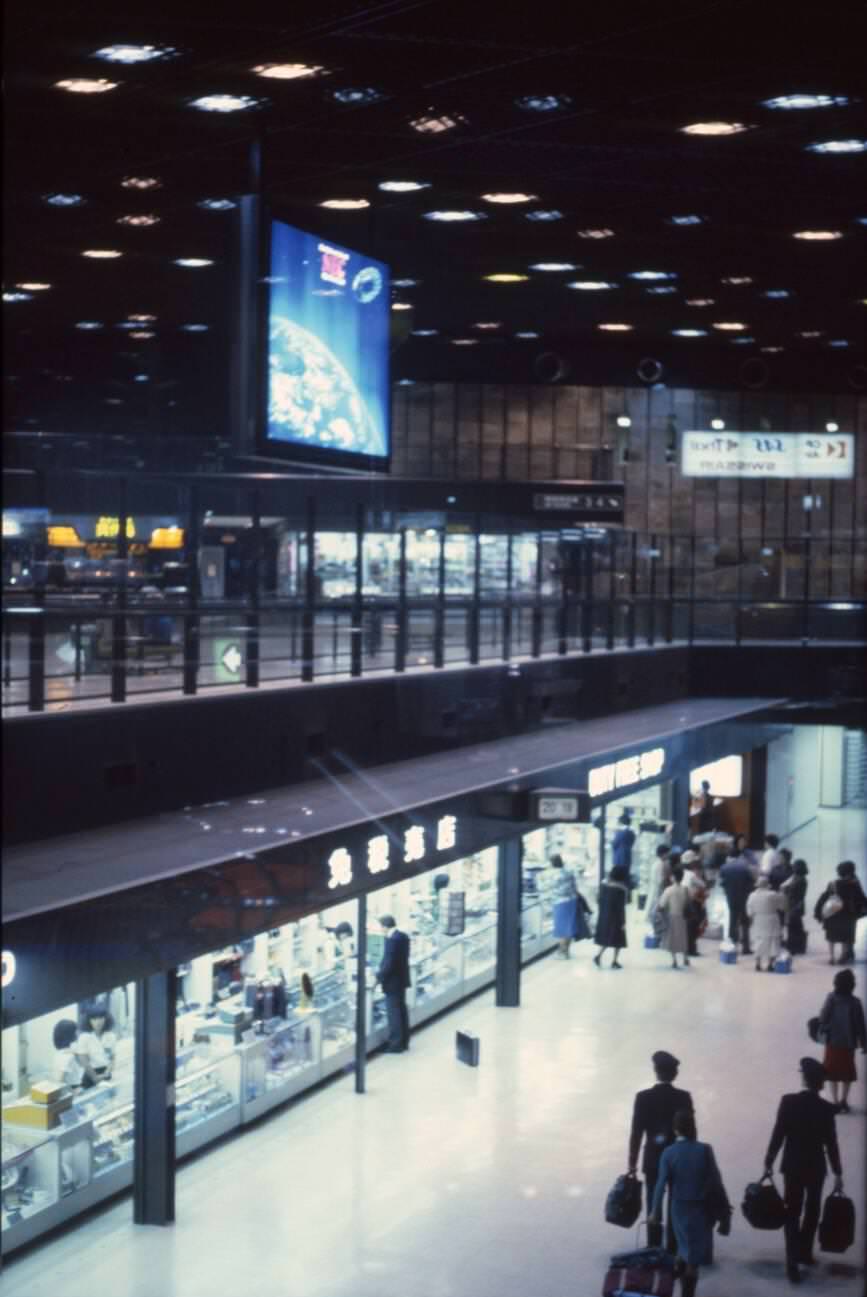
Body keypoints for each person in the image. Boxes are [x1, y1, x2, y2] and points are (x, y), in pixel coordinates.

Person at [764, 1057, 843, 1283]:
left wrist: (769, 1158)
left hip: (792, 1165)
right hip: (816, 1167)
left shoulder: (788, 1102)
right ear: (821, 1084)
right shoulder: (827, 1109)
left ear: (804, 1078)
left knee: (792, 1210)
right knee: (812, 1209)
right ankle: (805, 1253)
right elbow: (831, 1143)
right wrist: (838, 1172)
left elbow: (778, 1133)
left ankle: (791, 1260)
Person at [649, 1108, 731, 1297]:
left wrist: (655, 1213)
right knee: (693, 1259)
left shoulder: (668, 1153)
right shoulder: (704, 1150)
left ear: (675, 1130)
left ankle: (674, 1278)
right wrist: (725, 1214)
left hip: (678, 1209)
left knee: (682, 1246)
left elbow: (660, 1186)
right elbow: (716, 1183)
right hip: (701, 1211)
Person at [628, 1050, 694, 1252]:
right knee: (676, 1202)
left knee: (652, 1202)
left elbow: (636, 1133)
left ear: (656, 1071)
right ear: (675, 1074)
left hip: (653, 1158)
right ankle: (673, 1245)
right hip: (678, 1159)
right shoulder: (684, 1097)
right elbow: (691, 1133)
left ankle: (654, 1243)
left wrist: (632, 1163)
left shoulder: (643, 1097)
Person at [818, 967, 867, 1113]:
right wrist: (864, 1043)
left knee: (831, 1072)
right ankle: (844, 1100)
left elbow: (823, 1017)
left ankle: (834, 1101)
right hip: (848, 1043)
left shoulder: (831, 998)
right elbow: (860, 1025)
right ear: (852, 985)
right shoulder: (856, 1003)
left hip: (832, 1041)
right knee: (846, 1072)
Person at [814, 861, 867, 965]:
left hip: (832, 914)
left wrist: (818, 913)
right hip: (847, 915)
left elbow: (823, 898)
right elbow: (861, 899)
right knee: (845, 937)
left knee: (831, 937)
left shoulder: (833, 884)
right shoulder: (854, 884)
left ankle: (831, 957)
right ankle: (843, 955)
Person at [376, 914, 411, 1053]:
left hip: (392, 982)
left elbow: (389, 963)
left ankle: (395, 1044)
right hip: (402, 980)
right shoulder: (403, 936)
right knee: (402, 1011)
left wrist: (378, 977)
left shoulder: (391, 940)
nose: (381, 930)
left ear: (385, 926)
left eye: (381, 927)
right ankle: (404, 1041)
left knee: (393, 1014)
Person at [718, 844, 755, 954]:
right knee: (745, 922)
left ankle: (732, 946)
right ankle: (746, 947)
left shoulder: (724, 867)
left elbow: (722, 883)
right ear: (739, 856)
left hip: (731, 898)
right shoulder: (745, 867)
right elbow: (751, 882)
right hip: (744, 898)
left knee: (732, 921)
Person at [593, 863, 629, 969]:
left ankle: (599, 955)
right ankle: (614, 961)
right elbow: (621, 907)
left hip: (604, 915)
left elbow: (598, 900)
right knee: (618, 939)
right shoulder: (622, 889)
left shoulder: (603, 885)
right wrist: (623, 921)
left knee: (607, 938)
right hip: (616, 918)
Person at [746, 875, 785, 972]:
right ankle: (770, 965)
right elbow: (782, 907)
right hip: (772, 919)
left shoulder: (752, 895)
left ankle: (758, 964)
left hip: (758, 920)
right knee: (773, 942)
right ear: (768, 885)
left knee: (759, 941)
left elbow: (749, 912)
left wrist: (752, 920)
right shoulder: (773, 895)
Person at [74, 1007, 117, 1088]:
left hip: (106, 1073)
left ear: (106, 1019)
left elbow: (112, 1057)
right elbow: (84, 1061)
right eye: (94, 1019)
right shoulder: (84, 1037)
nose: (98, 1022)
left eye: (101, 1018)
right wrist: (94, 1077)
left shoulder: (111, 1036)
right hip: (90, 1075)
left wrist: (107, 1072)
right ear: (88, 1021)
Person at [657, 865, 690, 969]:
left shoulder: (669, 890)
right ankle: (685, 958)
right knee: (683, 938)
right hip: (683, 917)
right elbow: (688, 902)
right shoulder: (685, 889)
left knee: (672, 940)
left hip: (671, 917)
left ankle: (674, 961)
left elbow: (662, 904)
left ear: (673, 877)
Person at [550, 853, 581, 958]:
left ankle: (562, 952)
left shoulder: (552, 875)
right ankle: (567, 951)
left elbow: (549, 889)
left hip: (559, 902)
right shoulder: (569, 872)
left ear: (552, 863)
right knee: (569, 927)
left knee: (561, 929)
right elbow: (575, 887)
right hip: (572, 901)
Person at [681, 851, 707, 958]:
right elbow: (703, 884)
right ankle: (691, 949)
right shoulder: (691, 875)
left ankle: (686, 947)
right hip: (693, 903)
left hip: (683, 902)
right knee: (693, 926)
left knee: (687, 927)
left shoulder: (682, 872)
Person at [782, 860, 809, 956]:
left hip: (794, 905)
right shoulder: (800, 878)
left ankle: (792, 946)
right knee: (797, 926)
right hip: (797, 905)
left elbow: (788, 890)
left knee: (792, 926)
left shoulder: (799, 880)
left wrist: (785, 888)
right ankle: (799, 946)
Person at [52, 1019, 84, 1089]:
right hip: (73, 1090)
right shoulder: (69, 1056)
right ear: (70, 1034)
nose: (78, 1033)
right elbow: (60, 1080)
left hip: (72, 1088)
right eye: (76, 1031)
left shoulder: (59, 1053)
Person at [611, 810, 636, 883]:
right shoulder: (632, 833)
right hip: (628, 856)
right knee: (625, 876)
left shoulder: (619, 833)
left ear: (621, 822)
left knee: (617, 877)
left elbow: (614, 844)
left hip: (619, 857)